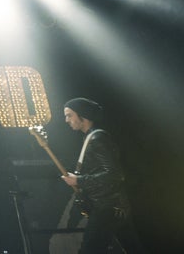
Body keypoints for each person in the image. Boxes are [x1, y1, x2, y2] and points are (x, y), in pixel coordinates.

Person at [61, 97, 146, 254]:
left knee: (89, 249)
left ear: (83, 115)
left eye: (69, 115)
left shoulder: (98, 138)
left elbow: (115, 174)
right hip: (113, 206)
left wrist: (79, 180)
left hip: (107, 207)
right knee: (133, 248)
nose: (66, 120)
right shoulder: (91, 138)